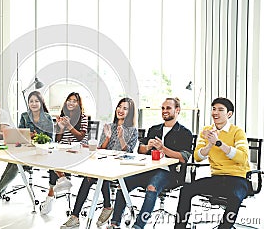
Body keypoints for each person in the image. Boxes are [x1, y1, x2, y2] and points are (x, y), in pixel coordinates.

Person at [108, 97, 193, 229]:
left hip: (169, 173)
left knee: (152, 187)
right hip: (148, 169)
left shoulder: (185, 133)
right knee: (123, 183)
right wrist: (147, 147)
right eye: (163, 108)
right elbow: (140, 150)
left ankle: (138, 226)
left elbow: (184, 157)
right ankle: (114, 223)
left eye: (168, 108)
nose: (164, 111)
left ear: (177, 110)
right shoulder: (154, 129)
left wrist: (163, 149)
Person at [61, 97, 139, 228]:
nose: (120, 110)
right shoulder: (110, 126)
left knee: (100, 175)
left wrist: (121, 138)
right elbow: (102, 149)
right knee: (89, 177)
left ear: (130, 112)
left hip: (120, 168)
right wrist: (107, 138)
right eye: (119, 107)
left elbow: (129, 152)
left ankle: (106, 206)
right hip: (105, 164)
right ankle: (75, 216)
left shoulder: (133, 130)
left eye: (125, 108)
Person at [174, 97, 251, 229]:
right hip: (217, 177)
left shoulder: (237, 132)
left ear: (229, 114)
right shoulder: (207, 131)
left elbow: (242, 157)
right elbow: (197, 157)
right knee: (186, 190)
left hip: (238, 178)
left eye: (220, 110)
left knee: (234, 197)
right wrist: (209, 145)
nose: (215, 112)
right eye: (214, 109)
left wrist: (219, 143)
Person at [0, 90, 54, 215]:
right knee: (13, 163)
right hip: (24, 151)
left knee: (15, 164)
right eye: (31, 101)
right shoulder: (24, 116)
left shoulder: (48, 118)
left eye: (36, 101)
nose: (33, 104)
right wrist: (24, 137)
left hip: (39, 153)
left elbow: (51, 140)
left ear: (41, 102)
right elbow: (19, 135)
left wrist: (37, 137)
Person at [40, 92, 89, 215]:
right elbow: (58, 139)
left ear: (78, 104)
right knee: (52, 155)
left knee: (55, 160)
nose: (71, 103)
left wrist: (69, 125)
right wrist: (61, 127)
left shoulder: (83, 117)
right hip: (64, 149)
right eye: (69, 100)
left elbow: (80, 137)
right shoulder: (63, 116)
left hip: (79, 149)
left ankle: (50, 196)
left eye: (74, 101)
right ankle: (62, 178)